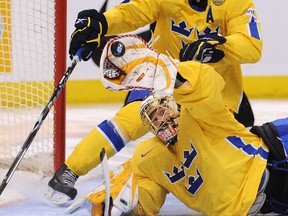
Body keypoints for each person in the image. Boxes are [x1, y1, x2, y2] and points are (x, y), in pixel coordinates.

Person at [45, 0, 263, 207]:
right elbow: (133, 11)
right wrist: (103, 23)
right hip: (164, 81)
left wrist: (216, 48)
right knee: (131, 119)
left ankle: (138, 194)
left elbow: (251, 46)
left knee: (184, 160)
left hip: (211, 97)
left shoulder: (236, 3)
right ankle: (70, 171)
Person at [64, 35, 288, 215]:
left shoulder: (200, 116)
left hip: (272, 168)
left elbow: (204, 84)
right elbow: (147, 195)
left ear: (175, 108)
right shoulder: (148, 156)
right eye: (153, 119)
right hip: (253, 207)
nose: (161, 121)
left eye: (162, 112)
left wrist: (172, 75)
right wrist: (124, 208)